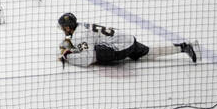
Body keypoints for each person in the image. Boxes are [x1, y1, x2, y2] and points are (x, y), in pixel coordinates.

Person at [57, 13, 198, 67]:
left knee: (98, 53)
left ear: (69, 28)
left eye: (64, 27)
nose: (63, 30)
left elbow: (86, 60)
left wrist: (68, 56)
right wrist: (74, 47)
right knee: (149, 53)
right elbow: (88, 42)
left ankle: (184, 47)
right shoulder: (82, 26)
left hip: (120, 46)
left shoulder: (80, 35)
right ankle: (184, 47)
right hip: (127, 39)